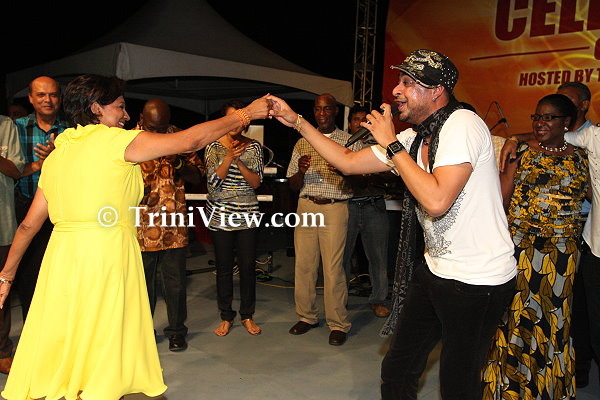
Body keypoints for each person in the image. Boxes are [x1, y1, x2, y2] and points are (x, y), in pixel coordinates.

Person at [0, 74, 271, 400]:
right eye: (120, 107)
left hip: (62, 258)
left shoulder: (59, 154)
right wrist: (245, 114)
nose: (126, 115)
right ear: (96, 108)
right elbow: (189, 142)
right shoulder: (118, 142)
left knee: (72, 333)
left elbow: (28, 225)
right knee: (104, 339)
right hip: (107, 254)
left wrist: (6, 276)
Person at [269, 49, 517, 399]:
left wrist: (389, 142)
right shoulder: (415, 138)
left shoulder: (463, 123)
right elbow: (348, 161)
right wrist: (296, 121)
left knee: (458, 385)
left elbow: (436, 200)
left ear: (436, 90)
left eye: (407, 83)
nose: (396, 91)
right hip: (436, 270)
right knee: (397, 369)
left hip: (479, 280)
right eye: (398, 82)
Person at [483, 94, 589, 399]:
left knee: (553, 320)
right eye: (537, 117)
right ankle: (510, 389)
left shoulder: (582, 157)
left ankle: (545, 390)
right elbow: (502, 199)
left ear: (566, 122)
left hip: (562, 254)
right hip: (521, 248)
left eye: (548, 117)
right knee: (516, 317)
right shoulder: (520, 153)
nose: (540, 123)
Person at [135, 98, 205, 352]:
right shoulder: (128, 140)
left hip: (173, 226)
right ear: (141, 119)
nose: (158, 133)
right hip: (140, 227)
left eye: (162, 128)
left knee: (175, 283)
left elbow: (197, 176)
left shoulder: (179, 138)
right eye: (153, 128)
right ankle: (143, 332)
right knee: (142, 285)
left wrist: (178, 162)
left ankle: (176, 331)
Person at [285, 93, 354, 346]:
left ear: (335, 111)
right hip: (306, 206)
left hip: (334, 207)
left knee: (333, 268)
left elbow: (360, 178)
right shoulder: (303, 142)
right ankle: (307, 316)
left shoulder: (348, 141)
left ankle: (338, 323)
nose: (322, 113)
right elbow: (292, 185)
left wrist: (345, 170)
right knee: (304, 265)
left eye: (327, 109)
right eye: (318, 109)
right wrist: (301, 172)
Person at [204, 100, 264, 337]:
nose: (235, 124)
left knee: (248, 267)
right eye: (231, 118)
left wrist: (239, 162)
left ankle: (247, 315)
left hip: (247, 215)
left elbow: (256, 183)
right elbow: (212, 183)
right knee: (224, 268)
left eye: (240, 119)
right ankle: (226, 316)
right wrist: (229, 158)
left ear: (245, 122)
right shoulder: (212, 146)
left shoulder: (254, 147)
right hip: (220, 216)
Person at [13, 76, 68, 320]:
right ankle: (32, 329)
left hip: (62, 210)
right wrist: (38, 164)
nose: (48, 100)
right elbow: (10, 169)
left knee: (62, 273)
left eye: (53, 94)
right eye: (41, 95)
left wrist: (58, 159)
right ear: (30, 98)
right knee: (29, 275)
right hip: (26, 206)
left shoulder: (72, 130)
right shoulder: (16, 128)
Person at [343, 105, 390, 318]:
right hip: (348, 206)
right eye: (356, 119)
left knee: (378, 257)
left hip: (374, 205)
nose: (361, 123)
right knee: (342, 257)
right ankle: (340, 299)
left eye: (365, 120)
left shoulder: (380, 144)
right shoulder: (343, 145)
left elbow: (393, 173)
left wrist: (369, 174)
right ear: (349, 123)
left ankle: (378, 300)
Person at [0, 116, 24, 375]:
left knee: (2, 293)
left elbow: (17, 170)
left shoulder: (6, 126)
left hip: (2, 223)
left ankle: (2, 351)